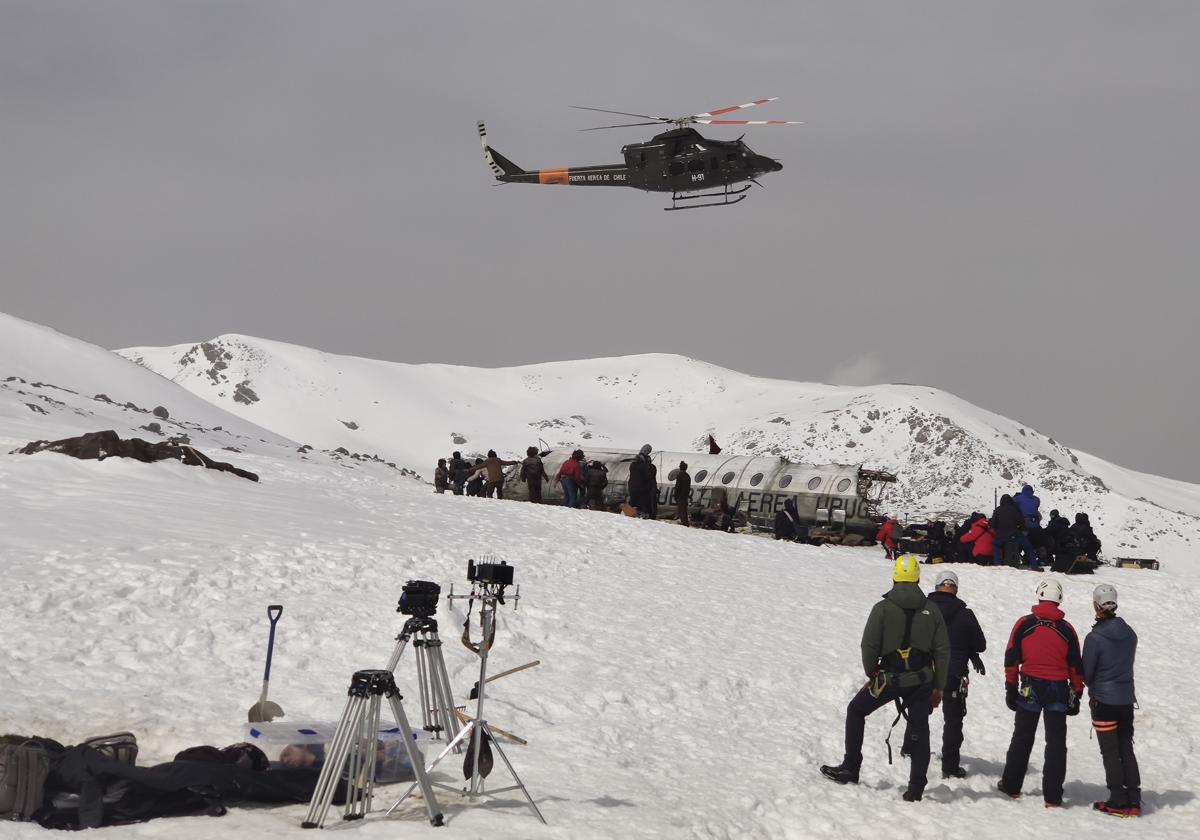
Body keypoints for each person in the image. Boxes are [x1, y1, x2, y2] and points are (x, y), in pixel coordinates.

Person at [821, 555, 950, 802]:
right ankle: (916, 787)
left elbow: (869, 645)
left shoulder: (882, 608)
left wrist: (872, 674)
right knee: (920, 730)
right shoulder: (931, 609)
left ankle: (851, 766)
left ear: (894, 577)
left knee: (856, 711)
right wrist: (939, 687)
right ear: (918, 577)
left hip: (888, 679)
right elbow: (942, 650)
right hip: (921, 681)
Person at [998, 578, 1084, 807]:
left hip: (1030, 686)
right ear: (1059, 599)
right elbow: (1076, 665)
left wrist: (1010, 687)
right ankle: (1053, 796)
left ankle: (1011, 785)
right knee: (1056, 742)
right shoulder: (1067, 629)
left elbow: (1011, 658)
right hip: (1057, 688)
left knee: (1022, 737)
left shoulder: (1025, 624)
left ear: (1039, 595)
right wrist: (1077, 694)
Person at [905, 569, 986, 778]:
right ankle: (949, 766)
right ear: (955, 589)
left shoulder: (922, 611)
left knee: (919, 711)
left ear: (936, 587)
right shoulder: (965, 614)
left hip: (925, 671)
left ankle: (910, 747)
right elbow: (980, 644)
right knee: (953, 720)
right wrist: (968, 649)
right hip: (953, 674)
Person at [1083, 583, 1140, 818]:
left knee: (1110, 751)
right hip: (1126, 700)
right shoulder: (1130, 633)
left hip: (1104, 701)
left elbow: (1087, 673)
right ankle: (1133, 799)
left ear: (1097, 606)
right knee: (1126, 747)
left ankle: (1117, 799)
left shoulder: (1095, 638)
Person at [991, 494, 1036, 567]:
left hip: (1001, 536)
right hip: (1015, 535)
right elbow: (1022, 522)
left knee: (996, 545)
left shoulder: (998, 510)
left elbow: (993, 524)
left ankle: (997, 564)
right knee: (1028, 547)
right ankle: (1034, 565)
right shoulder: (1016, 509)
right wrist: (1024, 531)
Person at [628, 444, 655, 517]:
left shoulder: (632, 465)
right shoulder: (643, 466)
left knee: (632, 501)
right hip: (641, 488)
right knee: (643, 503)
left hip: (632, 487)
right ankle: (642, 516)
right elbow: (648, 476)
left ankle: (627, 513)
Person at [674, 461, 691, 526]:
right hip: (685, 496)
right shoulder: (687, 476)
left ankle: (684, 524)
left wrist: (676, 496)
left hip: (680, 496)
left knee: (681, 511)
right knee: (684, 511)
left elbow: (677, 487)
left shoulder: (680, 475)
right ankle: (685, 523)